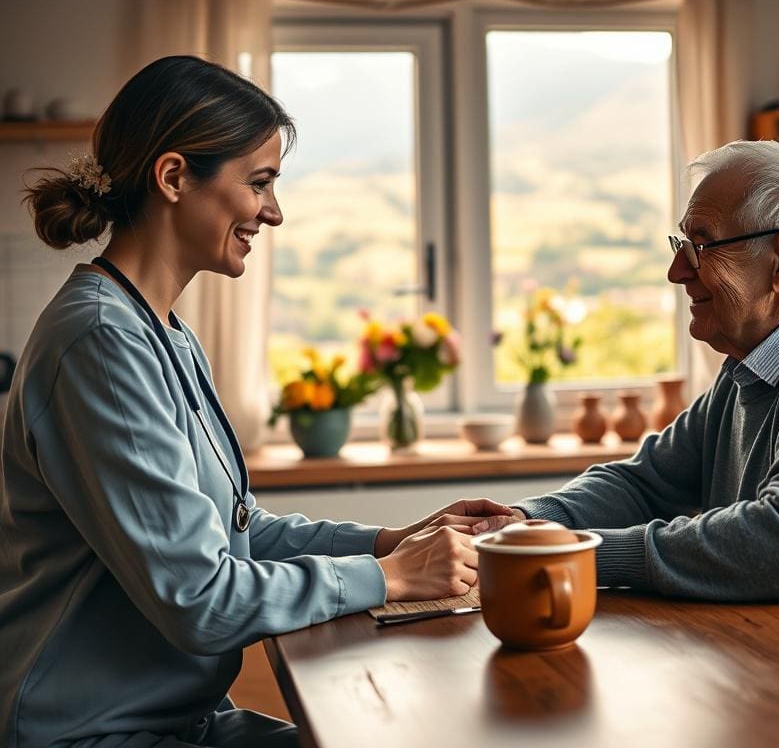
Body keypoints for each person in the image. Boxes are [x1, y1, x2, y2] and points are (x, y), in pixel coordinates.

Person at [0, 55, 511, 748]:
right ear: (174, 177)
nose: (273, 211)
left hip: (181, 722)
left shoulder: (160, 330)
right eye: (259, 182)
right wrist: (385, 577)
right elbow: (200, 598)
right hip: (91, 733)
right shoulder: (100, 343)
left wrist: (393, 543)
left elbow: (236, 532)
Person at [475, 140, 779, 671]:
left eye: (700, 246)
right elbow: (644, 484)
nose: (677, 271)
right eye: (680, 243)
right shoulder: (754, 363)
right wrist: (522, 523)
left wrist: (574, 553)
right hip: (769, 665)